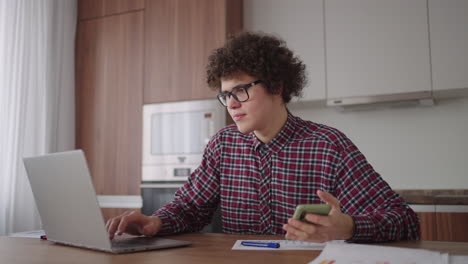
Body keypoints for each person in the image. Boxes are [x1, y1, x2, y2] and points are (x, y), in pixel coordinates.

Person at [106, 32, 420, 242]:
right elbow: (189, 208)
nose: (231, 104)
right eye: (225, 95)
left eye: (240, 91)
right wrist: (155, 222)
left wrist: (349, 226)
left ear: (276, 87)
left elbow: (405, 220)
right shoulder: (223, 146)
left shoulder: (327, 146)